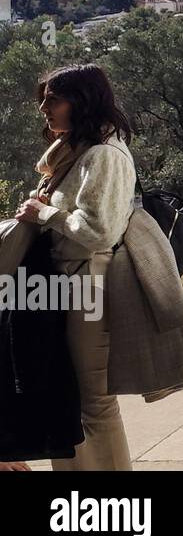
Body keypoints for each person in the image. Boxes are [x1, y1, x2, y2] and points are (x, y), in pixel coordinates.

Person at [10, 64, 137, 471]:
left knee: (93, 400)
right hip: (63, 286)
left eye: (54, 99)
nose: (44, 108)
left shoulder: (103, 155)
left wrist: (45, 213)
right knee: (65, 395)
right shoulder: (74, 153)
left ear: (81, 101)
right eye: (43, 98)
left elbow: (99, 231)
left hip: (89, 286)